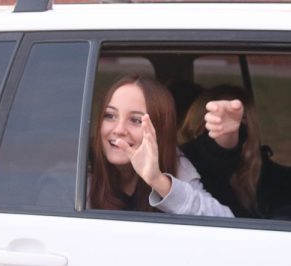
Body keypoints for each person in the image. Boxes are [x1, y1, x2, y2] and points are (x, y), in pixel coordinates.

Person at [89, 74, 234, 217]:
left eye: (136, 120)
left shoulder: (176, 164)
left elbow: (226, 221)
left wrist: (158, 181)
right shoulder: (80, 166)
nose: (119, 129)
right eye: (110, 116)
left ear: (160, 131)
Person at [178, 84, 263, 218]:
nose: (237, 128)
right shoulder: (191, 158)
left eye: (241, 120)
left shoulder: (257, 166)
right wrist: (226, 135)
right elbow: (216, 154)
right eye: (218, 119)